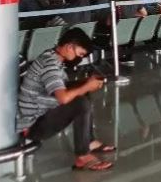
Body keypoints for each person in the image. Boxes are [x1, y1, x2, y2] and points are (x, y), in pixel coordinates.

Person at [16, 28, 114, 171]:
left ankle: (89, 141)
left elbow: (61, 87)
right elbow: (62, 98)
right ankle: (82, 157)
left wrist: (85, 83)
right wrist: (86, 86)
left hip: (40, 114)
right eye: (79, 54)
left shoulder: (51, 56)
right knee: (80, 103)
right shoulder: (50, 65)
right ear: (69, 47)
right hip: (31, 125)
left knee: (82, 92)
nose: (78, 58)